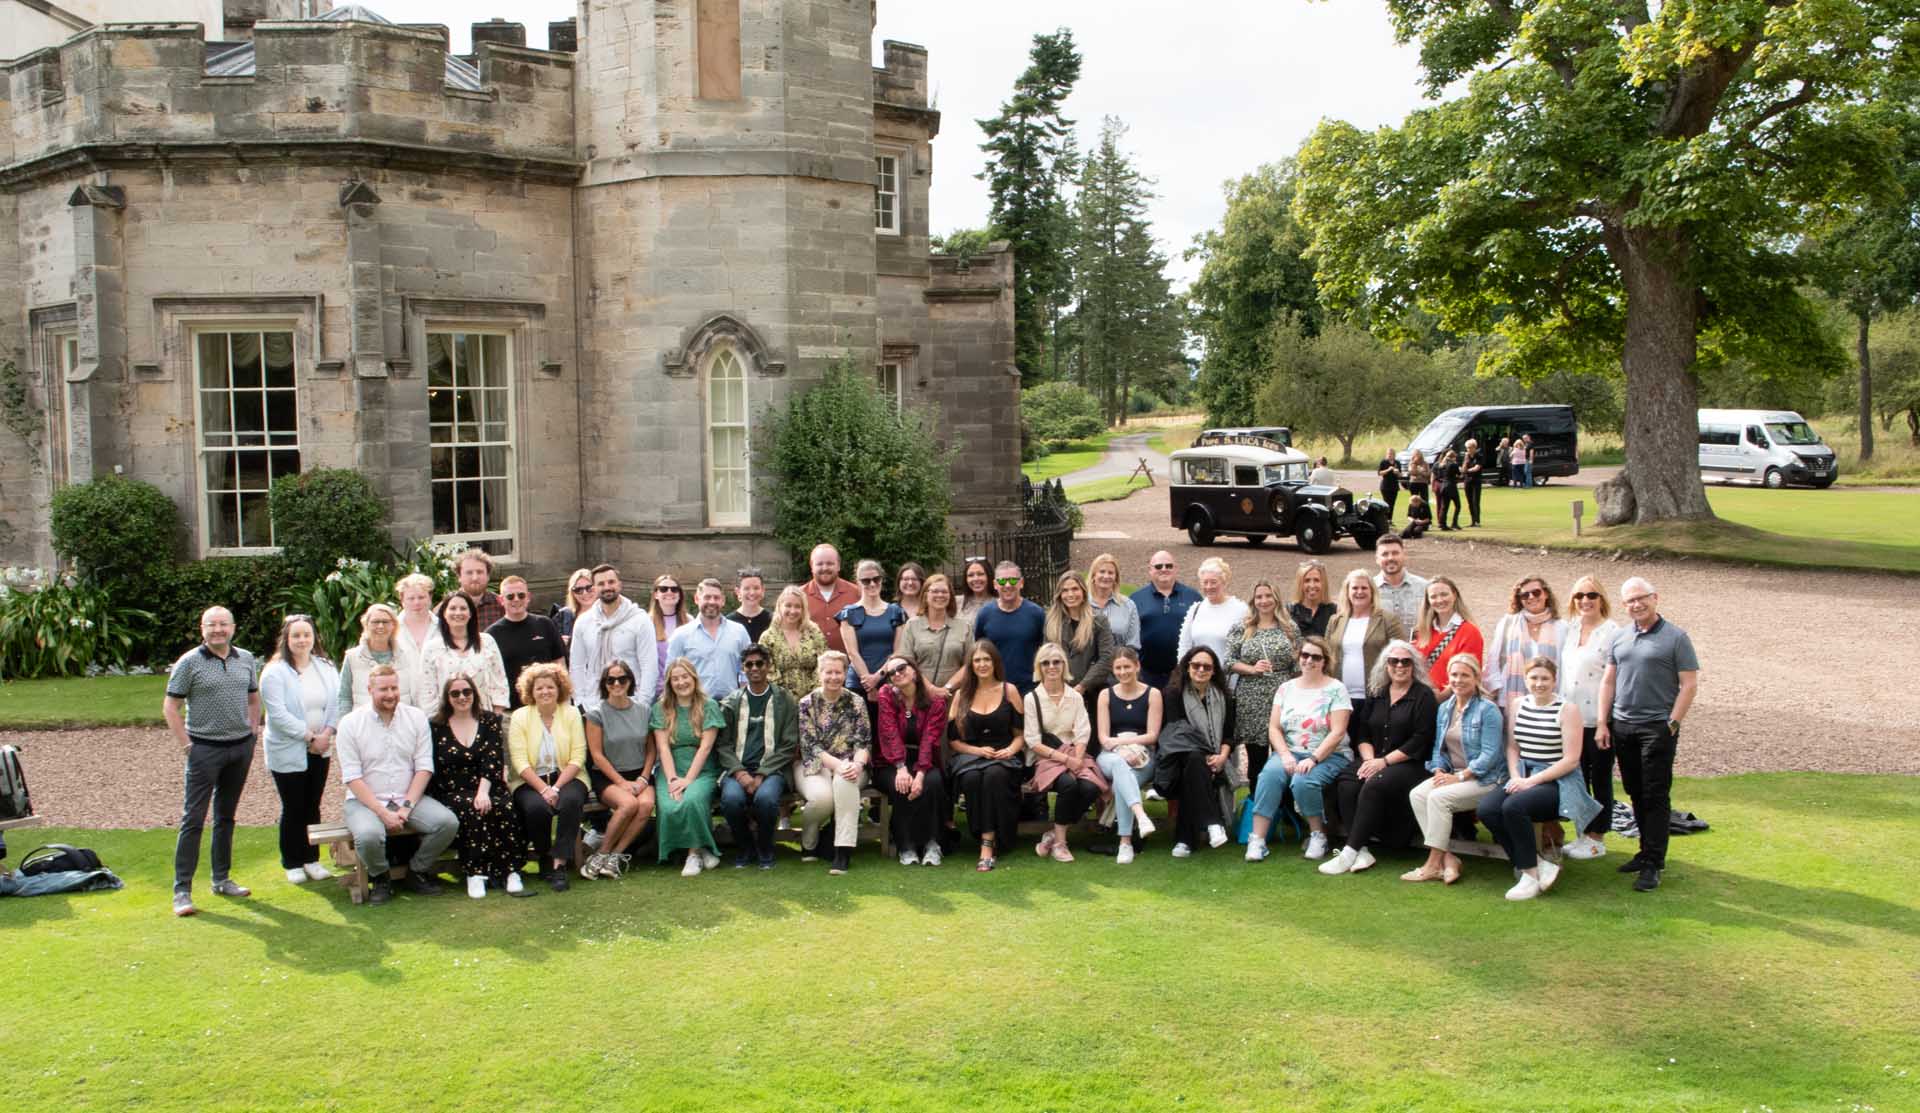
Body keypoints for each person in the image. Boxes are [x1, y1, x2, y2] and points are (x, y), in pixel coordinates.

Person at [1597, 577, 1699, 893]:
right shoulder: (1620, 637)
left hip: (1657, 727)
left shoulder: (1675, 638)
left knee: (1655, 794)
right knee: (1635, 791)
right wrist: (1603, 721)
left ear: (1655, 598)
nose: (1636, 605)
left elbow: (1689, 684)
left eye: (1641, 598)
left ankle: (1654, 862)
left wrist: (1673, 723)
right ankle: (1645, 852)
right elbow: (1608, 682)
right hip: (1623, 725)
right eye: (1630, 601)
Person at [163, 606, 262, 917]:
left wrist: (253, 732)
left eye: (223, 624)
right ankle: (182, 890)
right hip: (204, 749)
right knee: (193, 820)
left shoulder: (245, 658)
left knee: (226, 817)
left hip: (239, 748)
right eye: (211, 625)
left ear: (233, 627)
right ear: (202, 628)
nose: (218, 630)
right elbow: (170, 706)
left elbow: (253, 697)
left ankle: (221, 879)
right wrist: (187, 746)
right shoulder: (189, 663)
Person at [1478, 657, 1603, 901]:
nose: (1539, 683)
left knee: (1514, 806)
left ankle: (1529, 876)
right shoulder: (1517, 705)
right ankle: (1537, 863)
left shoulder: (1567, 710)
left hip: (1559, 780)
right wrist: (1516, 776)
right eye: (1534, 678)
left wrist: (1529, 783)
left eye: (1545, 678)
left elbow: (1570, 760)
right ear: (1525, 680)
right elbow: (1513, 747)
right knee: (1487, 809)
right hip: (1524, 773)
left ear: (1554, 680)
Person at [336, 666, 460, 905]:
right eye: (383, 689)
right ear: (370, 689)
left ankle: (416, 871)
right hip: (365, 802)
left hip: (406, 797)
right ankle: (381, 877)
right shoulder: (350, 724)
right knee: (369, 836)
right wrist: (383, 812)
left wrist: (406, 806)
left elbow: (424, 767)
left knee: (447, 823)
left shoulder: (415, 718)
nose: (390, 694)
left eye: (394, 688)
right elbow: (352, 777)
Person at [1319, 640, 1438, 876]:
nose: (1400, 666)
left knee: (1375, 784)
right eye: (1394, 661)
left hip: (1409, 764)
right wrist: (1369, 760)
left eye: (1406, 661)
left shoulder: (1424, 696)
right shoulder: (1377, 693)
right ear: (1386, 665)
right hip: (1373, 758)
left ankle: (1348, 852)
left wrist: (1382, 763)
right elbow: (1362, 733)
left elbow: (1420, 739)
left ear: (1414, 665)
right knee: (1347, 779)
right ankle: (1362, 850)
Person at [1245, 636, 1354, 861]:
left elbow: (1338, 732)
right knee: (1269, 775)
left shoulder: (1336, 689)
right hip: (1291, 751)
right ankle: (1257, 839)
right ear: (1299, 658)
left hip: (1329, 755)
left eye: (1316, 657)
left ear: (1325, 661)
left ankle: (1318, 835)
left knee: (1304, 780)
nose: (1309, 661)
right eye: (1305, 655)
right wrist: (1285, 755)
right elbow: (1274, 728)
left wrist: (1313, 759)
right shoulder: (1286, 688)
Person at [1403, 655, 1505, 885]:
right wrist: (1439, 770)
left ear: (1477, 678)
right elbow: (1439, 747)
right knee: (1418, 794)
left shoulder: (1488, 710)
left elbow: (1490, 755)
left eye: (1464, 675)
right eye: (1454, 675)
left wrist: (1459, 777)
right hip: (1453, 774)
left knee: (1439, 798)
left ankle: (1431, 865)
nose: (1458, 680)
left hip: (1485, 779)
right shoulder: (1445, 709)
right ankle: (1448, 859)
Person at [428, 673, 528, 898]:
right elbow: (437, 765)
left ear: (474, 694)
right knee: (472, 811)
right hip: (453, 789)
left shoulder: (489, 720)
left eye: (467, 692)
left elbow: (492, 759)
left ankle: (511, 871)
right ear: (447, 697)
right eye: (455, 693)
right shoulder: (436, 726)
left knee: (502, 807)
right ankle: (475, 872)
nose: (462, 697)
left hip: (488, 783)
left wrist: (483, 792)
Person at [259, 614, 340, 886]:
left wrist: (327, 733)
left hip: (321, 747)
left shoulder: (326, 667)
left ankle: (312, 859)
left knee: (312, 805)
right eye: (296, 635)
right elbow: (278, 715)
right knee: (293, 807)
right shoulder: (274, 672)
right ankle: (292, 861)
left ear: (314, 637)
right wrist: (309, 737)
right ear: (286, 639)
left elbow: (337, 702)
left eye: (307, 634)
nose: (302, 640)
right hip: (289, 748)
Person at [506, 662, 589, 892]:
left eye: (550, 687)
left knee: (570, 801)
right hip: (530, 780)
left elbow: (578, 756)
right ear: (531, 691)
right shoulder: (520, 717)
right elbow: (519, 762)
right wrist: (544, 789)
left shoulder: (571, 713)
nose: (545, 692)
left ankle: (560, 864)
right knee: (536, 809)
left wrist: (557, 788)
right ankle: (544, 856)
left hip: (568, 776)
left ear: (559, 688)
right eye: (539, 688)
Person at [1024, 642, 1106, 864]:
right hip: (1046, 758)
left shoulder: (1075, 696)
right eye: (1046, 662)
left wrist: (1077, 759)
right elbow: (1032, 741)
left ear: (1064, 665)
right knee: (1069, 785)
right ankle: (1060, 844)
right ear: (1039, 666)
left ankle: (1053, 834)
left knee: (1090, 788)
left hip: (1075, 754)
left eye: (1057, 662)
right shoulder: (1031, 698)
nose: (1052, 666)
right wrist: (1066, 760)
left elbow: (1083, 731)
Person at [716, 646, 799, 869]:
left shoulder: (784, 699)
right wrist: (741, 773)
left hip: (773, 770)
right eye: (749, 664)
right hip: (737, 770)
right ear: (743, 669)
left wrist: (762, 774)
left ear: (768, 666)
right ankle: (745, 848)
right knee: (731, 800)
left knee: (766, 799)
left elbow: (788, 744)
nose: (754, 668)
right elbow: (722, 745)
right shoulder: (731, 702)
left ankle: (765, 848)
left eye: (759, 663)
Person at [947, 640, 1026, 872]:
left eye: (986, 659)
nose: (982, 664)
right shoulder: (961, 694)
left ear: (995, 662)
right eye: (977, 660)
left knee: (993, 775)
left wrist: (1010, 750)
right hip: (970, 756)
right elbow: (953, 741)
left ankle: (988, 844)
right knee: (971, 780)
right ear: (970, 665)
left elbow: (1021, 735)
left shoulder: (1009, 690)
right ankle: (982, 835)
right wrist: (977, 751)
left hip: (1004, 756)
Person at [1558, 574, 1621, 860]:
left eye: (1592, 595)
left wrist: (1603, 722)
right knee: (1576, 778)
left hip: (1597, 720)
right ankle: (1582, 833)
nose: (1585, 601)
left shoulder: (1611, 632)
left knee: (1600, 778)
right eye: (1580, 596)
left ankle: (1597, 837)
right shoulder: (1570, 630)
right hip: (1570, 719)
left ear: (1601, 600)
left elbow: (1612, 678)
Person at [795, 651, 871, 875]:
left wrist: (856, 765)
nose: (834, 677)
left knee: (845, 783)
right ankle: (809, 838)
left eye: (839, 672)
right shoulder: (806, 703)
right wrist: (838, 766)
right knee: (822, 800)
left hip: (851, 764)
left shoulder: (856, 702)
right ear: (820, 673)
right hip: (816, 765)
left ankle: (842, 851)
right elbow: (811, 747)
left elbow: (863, 742)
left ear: (845, 673)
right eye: (828, 672)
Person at [1155, 646, 1234, 858]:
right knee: (1193, 760)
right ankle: (1212, 823)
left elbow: (1229, 735)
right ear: (1187, 667)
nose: (1201, 669)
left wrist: (1223, 756)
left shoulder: (1223, 697)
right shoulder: (1173, 693)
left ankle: (1185, 840)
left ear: (1214, 670)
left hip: (1213, 759)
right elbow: (1177, 731)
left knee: (1195, 767)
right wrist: (1209, 754)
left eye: (1206, 666)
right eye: (1196, 665)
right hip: (1176, 759)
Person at [582, 660, 657, 879]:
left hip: (639, 773)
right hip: (607, 775)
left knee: (645, 805)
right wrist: (621, 783)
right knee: (628, 804)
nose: (616, 683)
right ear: (604, 684)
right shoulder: (596, 714)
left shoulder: (644, 710)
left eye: (622, 679)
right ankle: (601, 853)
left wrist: (644, 777)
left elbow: (651, 750)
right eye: (611, 679)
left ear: (630, 682)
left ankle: (615, 855)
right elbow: (596, 754)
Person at [651, 657, 726, 877]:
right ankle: (703, 848)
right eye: (675, 678)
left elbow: (705, 748)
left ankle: (693, 855)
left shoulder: (708, 706)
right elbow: (663, 748)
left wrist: (688, 780)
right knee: (669, 804)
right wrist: (674, 780)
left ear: (693, 678)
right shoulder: (661, 707)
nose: (681, 682)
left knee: (692, 800)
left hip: (701, 769)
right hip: (671, 767)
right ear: (669, 682)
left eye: (685, 677)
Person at [1225, 578, 1300, 789]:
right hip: (1252, 698)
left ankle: (1284, 806)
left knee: (1283, 754)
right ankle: (1256, 804)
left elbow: (1297, 664)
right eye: (1259, 596)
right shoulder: (1243, 627)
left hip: (1282, 696)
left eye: (1268, 596)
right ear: (1253, 600)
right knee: (1256, 758)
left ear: (1276, 599)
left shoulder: (1289, 628)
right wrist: (1252, 669)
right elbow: (1229, 661)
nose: (1264, 600)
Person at [874, 655, 949, 866]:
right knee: (902, 785)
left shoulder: (936, 701)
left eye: (901, 668)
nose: (897, 673)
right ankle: (905, 845)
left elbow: (929, 739)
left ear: (914, 671)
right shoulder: (886, 694)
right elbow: (888, 732)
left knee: (932, 783)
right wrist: (901, 767)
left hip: (924, 757)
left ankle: (932, 843)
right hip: (890, 760)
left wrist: (921, 772)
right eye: (891, 672)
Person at [1095, 646, 1161, 863]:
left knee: (1127, 777)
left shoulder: (1153, 694)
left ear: (1137, 666)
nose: (1123, 672)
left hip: (1142, 757)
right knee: (1119, 765)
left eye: (1127, 667)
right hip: (1110, 756)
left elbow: (1152, 736)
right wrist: (1119, 750)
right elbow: (1104, 738)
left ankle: (1125, 843)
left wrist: (1125, 744)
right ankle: (1141, 817)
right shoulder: (1105, 695)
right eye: (1118, 668)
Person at [569, 564, 660, 714]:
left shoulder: (639, 619)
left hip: (631, 701)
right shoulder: (584, 622)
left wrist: (642, 702)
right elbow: (577, 665)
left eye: (611, 582)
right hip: (594, 703)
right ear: (594, 588)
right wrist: (580, 701)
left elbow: (649, 665)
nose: (607, 587)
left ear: (619, 584)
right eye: (601, 584)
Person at [1484, 574, 1565, 713]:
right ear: (1519, 600)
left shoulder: (1562, 627)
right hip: (1509, 697)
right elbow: (1493, 659)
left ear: (1546, 594)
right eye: (1525, 595)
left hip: (1549, 698)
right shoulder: (1507, 623)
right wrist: (1496, 688)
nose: (1531, 597)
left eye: (1536, 592)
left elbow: (1564, 665)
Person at [1324, 569, 1407, 704]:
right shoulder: (1335, 620)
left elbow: (1402, 655)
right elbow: (1326, 656)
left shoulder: (1388, 620)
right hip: (1340, 697)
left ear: (1372, 591)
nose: (1359, 592)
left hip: (1376, 696)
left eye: (1364, 588)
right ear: (1347, 591)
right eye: (1355, 588)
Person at [419, 593, 509, 717]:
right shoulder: (432, 647)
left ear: (471, 613)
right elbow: (427, 689)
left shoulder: (487, 641)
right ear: (444, 613)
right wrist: (436, 721)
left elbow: (499, 680)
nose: (458, 612)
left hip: (484, 717)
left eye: (463, 608)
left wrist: (495, 715)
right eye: (452, 608)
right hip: (446, 719)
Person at [837, 559, 909, 713]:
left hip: (891, 681)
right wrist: (868, 683)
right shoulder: (848, 614)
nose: (872, 584)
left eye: (876, 579)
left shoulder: (896, 612)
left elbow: (898, 651)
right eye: (866, 580)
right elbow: (852, 652)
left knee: (889, 733)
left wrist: (877, 677)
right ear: (858, 582)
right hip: (858, 684)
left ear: (882, 580)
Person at [486, 574, 565, 709]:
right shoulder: (491, 635)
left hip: (548, 705)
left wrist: (563, 697)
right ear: (501, 600)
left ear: (528, 597)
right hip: (512, 710)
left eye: (521, 595)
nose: (516, 600)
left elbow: (559, 663)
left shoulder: (545, 624)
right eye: (510, 596)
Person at [669, 578, 753, 701]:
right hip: (696, 705)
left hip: (732, 705)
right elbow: (670, 673)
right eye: (707, 597)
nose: (712, 602)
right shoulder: (681, 635)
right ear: (697, 599)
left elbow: (747, 668)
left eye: (716, 598)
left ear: (723, 601)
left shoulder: (739, 632)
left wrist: (744, 696)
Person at [1130, 551, 1202, 691]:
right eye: (1158, 566)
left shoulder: (1193, 597)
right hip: (1146, 674)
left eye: (1169, 566)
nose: (1164, 569)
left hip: (1184, 673)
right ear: (1150, 570)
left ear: (1176, 569)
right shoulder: (1136, 598)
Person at [1046, 570, 1116, 714]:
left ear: (1083, 591)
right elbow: (1046, 657)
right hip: (1059, 693)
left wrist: (1082, 686)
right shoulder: (1051, 621)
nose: (1070, 594)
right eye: (1065, 590)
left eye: (1075, 589)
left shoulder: (1098, 621)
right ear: (1059, 594)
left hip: (1091, 692)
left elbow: (1107, 658)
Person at [972, 560, 1047, 694]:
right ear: (995, 584)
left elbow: (1046, 650)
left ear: (1021, 583)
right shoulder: (985, 614)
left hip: (1029, 689)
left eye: (1013, 581)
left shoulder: (1037, 614)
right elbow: (978, 650)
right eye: (1002, 581)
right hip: (995, 689)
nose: (1007, 585)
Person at [897, 572, 968, 695]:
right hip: (921, 697)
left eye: (944, 592)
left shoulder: (964, 626)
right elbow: (907, 663)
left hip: (954, 697)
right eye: (935, 591)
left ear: (950, 596)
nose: (940, 595)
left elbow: (969, 664)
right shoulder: (912, 625)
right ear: (925, 595)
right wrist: (930, 689)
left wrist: (947, 688)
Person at [1175, 557, 1250, 666]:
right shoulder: (1195, 609)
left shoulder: (1241, 610)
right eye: (1205, 582)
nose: (1209, 587)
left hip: (1228, 677)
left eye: (1213, 582)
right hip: (1199, 676)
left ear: (1224, 582)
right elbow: (1184, 645)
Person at [1413, 577, 1484, 693]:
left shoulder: (1469, 632)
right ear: (1428, 601)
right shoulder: (1422, 632)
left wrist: (1440, 699)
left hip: (1452, 701)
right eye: (1433, 597)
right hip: (1422, 699)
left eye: (1444, 594)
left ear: (1454, 595)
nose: (1440, 600)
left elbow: (1468, 673)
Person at [339, 603, 412, 714]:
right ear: (366, 625)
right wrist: (343, 725)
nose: (380, 626)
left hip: (400, 724)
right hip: (362, 725)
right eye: (375, 622)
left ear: (393, 625)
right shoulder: (352, 657)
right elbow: (344, 697)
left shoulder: (407, 655)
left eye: (385, 622)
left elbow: (415, 694)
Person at [761, 584, 829, 699]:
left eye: (798, 606)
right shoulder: (768, 637)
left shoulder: (813, 631)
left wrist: (813, 694)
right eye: (788, 605)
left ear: (803, 609)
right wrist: (784, 697)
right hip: (780, 700)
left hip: (814, 698)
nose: (792, 611)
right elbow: (767, 670)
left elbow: (824, 661)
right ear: (779, 606)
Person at [803, 543, 862, 655]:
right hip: (810, 668)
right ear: (811, 566)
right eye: (819, 564)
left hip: (850, 667)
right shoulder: (799, 597)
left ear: (838, 565)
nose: (825, 568)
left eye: (830, 563)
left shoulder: (857, 593)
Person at [393, 573, 441, 705]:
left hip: (437, 703)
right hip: (401, 703)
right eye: (411, 598)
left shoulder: (443, 628)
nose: (417, 602)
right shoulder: (391, 630)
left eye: (421, 597)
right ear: (402, 600)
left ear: (430, 597)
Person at [1372, 533, 1429, 634]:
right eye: (1385, 554)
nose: (1390, 558)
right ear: (1377, 559)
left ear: (1404, 555)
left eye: (1395, 553)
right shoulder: (1368, 590)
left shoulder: (1425, 587)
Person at [1086, 553, 1142, 651]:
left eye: (1111, 573)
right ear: (1093, 575)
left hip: (1118, 664)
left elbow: (1133, 645)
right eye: (1102, 571)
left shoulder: (1128, 605)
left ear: (1116, 577)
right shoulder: (1082, 603)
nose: (1106, 576)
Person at [452, 547, 505, 632]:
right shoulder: (447, 607)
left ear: (488, 576)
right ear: (459, 577)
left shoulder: (501, 605)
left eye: (479, 572)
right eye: (469, 572)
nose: (475, 578)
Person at [647, 574, 687, 680]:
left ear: (679, 594)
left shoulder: (690, 621)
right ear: (656, 594)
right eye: (663, 589)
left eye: (674, 589)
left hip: (683, 686)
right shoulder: (646, 622)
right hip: (656, 689)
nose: (669, 592)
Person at [1288, 559, 1336, 639]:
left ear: (1323, 583)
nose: (1312, 585)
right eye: (1307, 581)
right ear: (1300, 584)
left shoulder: (1334, 611)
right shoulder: (1289, 611)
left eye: (1316, 580)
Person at [725, 567, 771, 644]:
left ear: (763, 590)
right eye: (746, 588)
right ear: (738, 592)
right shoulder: (728, 622)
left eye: (756, 588)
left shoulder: (772, 620)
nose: (752, 593)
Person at [553, 567, 594, 647]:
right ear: (572, 593)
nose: (584, 593)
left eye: (589, 588)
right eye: (578, 590)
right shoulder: (563, 616)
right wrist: (558, 643)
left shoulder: (607, 615)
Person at [955, 556, 997, 628]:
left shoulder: (999, 603)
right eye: (971, 575)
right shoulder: (956, 602)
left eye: (980, 574)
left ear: (989, 576)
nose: (976, 579)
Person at [1434, 449, 1462, 531]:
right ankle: (1454, 523)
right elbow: (1459, 475)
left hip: (1443, 486)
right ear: (1453, 457)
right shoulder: (1453, 465)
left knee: (1444, 507)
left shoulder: (1441, 465)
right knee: (1458, 505)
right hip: (1451, 486)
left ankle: (1442, 524)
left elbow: (1440, 476)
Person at [1462, 438, 1485, 527]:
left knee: (1476, 501)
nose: (1468, 449)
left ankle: (1477, 521)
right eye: (1467, 448)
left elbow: (1477, 468)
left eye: (1470, 447)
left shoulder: (1479, 456)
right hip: (1467, 481)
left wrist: (1466, 470)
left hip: (1476, 481)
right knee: (1470, 501)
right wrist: (1466, 460)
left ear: (1474, 447)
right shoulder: (1467, 456)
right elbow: (1463, 468)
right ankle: (1472, 521)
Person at [1376, 448, 1402, 519]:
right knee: (1386, 503)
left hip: (1394, 486)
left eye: (1391, 454)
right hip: (1385, 486)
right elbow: (1379, 473)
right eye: (1389, 454)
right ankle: (1385, 519)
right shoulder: (1383, 462)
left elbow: (1400, 475)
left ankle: (1390, 519)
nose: (1390, 455)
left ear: (1394, 455)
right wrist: (1388, 469)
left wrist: (1398, 473)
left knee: (1392, 504)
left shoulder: (1397, 463)